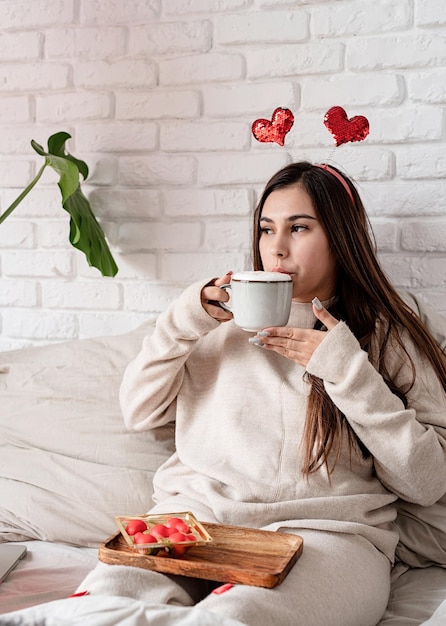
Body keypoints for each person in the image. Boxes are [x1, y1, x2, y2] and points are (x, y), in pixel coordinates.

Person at [82, 161, 446, 626]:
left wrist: (347, 372)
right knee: (102, 600)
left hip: (329, 533)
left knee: (239, 618)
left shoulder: (387, 331)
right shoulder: (213, 319)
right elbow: (139, 412)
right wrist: (179, 324)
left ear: (340, 237)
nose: (277, 248)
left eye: (299, 228)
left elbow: (426, 481)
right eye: (266, 229)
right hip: (197, 515)